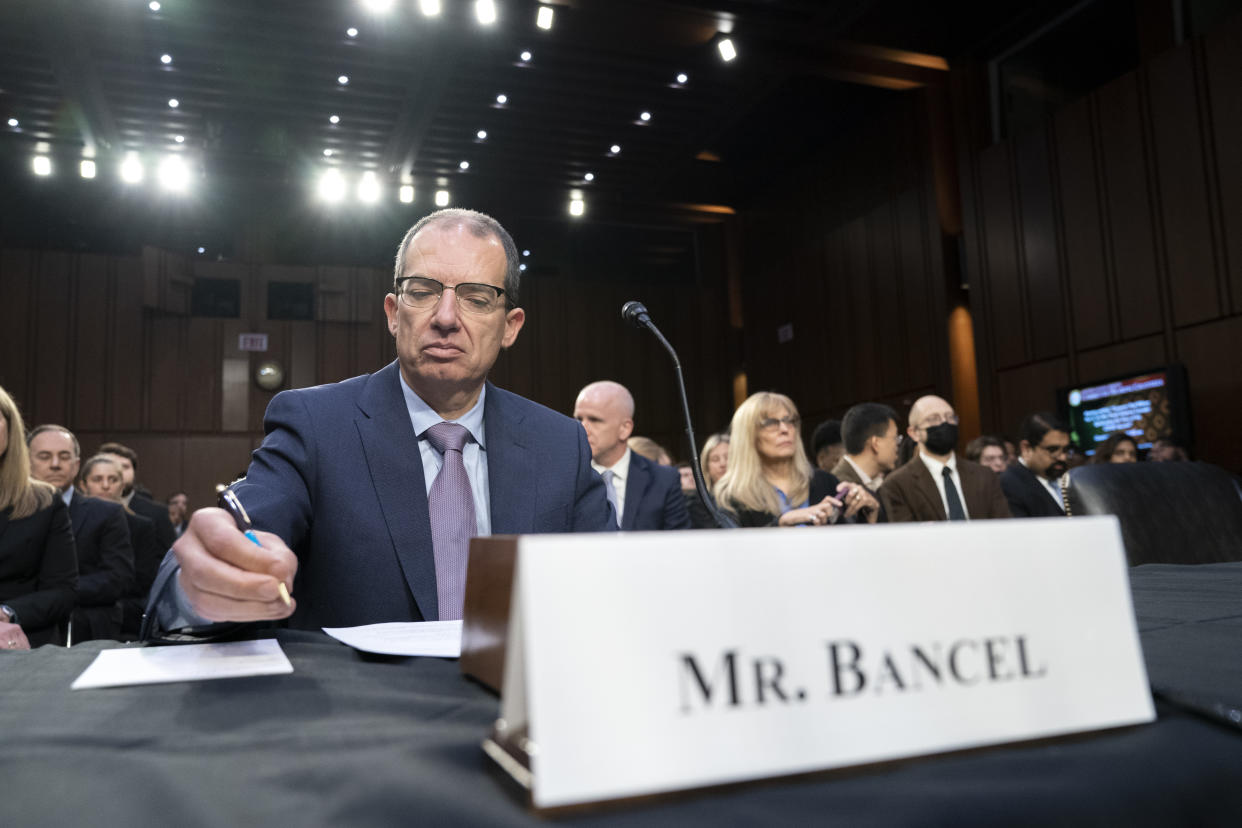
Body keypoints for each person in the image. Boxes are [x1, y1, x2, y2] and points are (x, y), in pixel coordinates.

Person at [145, 208, 613, 637]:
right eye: (423, 292)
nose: (446, 318)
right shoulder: (315, 426)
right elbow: (238, 538)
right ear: (393, 313)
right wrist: (203, 582)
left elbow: (613, 592)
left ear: (510, 325)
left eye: (476, 298)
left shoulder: (560, 443)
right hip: (364, 721)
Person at [28, 424, 134, 641]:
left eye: (64, 456)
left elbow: (117, 578)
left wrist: (55, 594)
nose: (55, 465)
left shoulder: (107, 513)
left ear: (76, 465)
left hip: (86, 631)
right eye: (45, 456)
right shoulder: (8, 512)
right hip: (19, 629)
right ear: (26, 462)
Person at [714, 392, 877, 527]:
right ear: (748, 435)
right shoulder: (730, 496)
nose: (785, 429)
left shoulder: (824, 481)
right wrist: (780, 525)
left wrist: (869, 513)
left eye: (789, 420)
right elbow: (732, 555)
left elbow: (850, 547)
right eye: (771, 423)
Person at [0, 387, 77, 649]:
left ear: (9, 430)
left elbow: (62, 591)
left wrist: (6, 612)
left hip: (22, 642)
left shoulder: (44, 501)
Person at [574, 381, 689, 530]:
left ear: (625, 428)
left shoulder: (664, 480)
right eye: (578, 419)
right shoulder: (568, 479)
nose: (583, 428)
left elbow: (679, 544)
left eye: (595, 420)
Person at [879, 395, 1011, 522]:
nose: (944, 423)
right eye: (933, 419)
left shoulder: (984, 476)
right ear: (914, 433)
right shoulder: (898, 484)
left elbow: (1004, 526)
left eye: (950, 417)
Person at [78, 455, 163, 637]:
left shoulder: (142, 525)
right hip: (77, 609)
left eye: (113, 480)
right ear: (83, 485)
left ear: (122, 487)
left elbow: (142, 579)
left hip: (125, 612)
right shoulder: (68, 521)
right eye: (97, 479)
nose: (106, 486)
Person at [97, 441, 177, 553]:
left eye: (125, 467)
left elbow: (169, 560)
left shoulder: (157, 514)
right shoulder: (81, 509)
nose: (118, 472)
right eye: (112, 465)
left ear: (134, 472)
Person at [999, 413, 1071, 518]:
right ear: (1026, 448)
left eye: (1065, 450)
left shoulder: (1071, 480)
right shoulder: (1009, 484)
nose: (1062, 457)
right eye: (1053, 450)